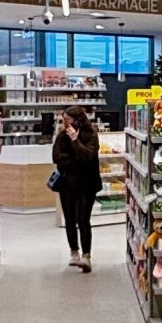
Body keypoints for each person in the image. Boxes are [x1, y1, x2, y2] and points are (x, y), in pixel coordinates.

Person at [51, 107, 103, 270]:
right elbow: (56, 157)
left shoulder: (91, 135)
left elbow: (89, 156)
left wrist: (75, 141)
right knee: (70, 219)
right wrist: (76, 157)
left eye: (68, 119)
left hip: (87, 184)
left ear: (78, 119)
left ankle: (86, 256)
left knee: (83, 219)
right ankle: (74, 252)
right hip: (67, 183)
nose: (65, 122)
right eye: (64, 119)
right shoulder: (61, 136)